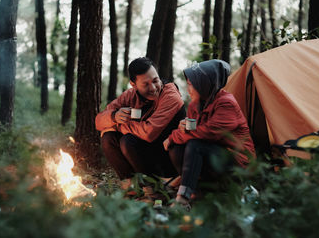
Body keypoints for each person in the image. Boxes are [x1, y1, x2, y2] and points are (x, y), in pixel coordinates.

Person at [163, 59, 255, 208]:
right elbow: (193, 132)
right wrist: (182, 130)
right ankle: (198, 191)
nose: (188, 90)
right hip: (214, 155)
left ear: (204, 84)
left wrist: (173, 136)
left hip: (238, 162)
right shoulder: (195, 105)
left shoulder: (226, 103)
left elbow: (207, 133)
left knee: (194, 144)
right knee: (176, 148)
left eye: (191, 85)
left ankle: (183, 199)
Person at [95, 57, 186, 185]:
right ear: (134, 85)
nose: (153, 88)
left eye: (156, 80)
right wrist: (114, 116)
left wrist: (119, 125)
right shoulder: (130, 95)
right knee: (108, 137)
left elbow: (149, 133)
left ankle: (153, 189)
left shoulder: (170, 95)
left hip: (169, 157)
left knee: (127, 141)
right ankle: (131, 186)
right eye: (145, 84)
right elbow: (98, 121)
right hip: (145, 154)